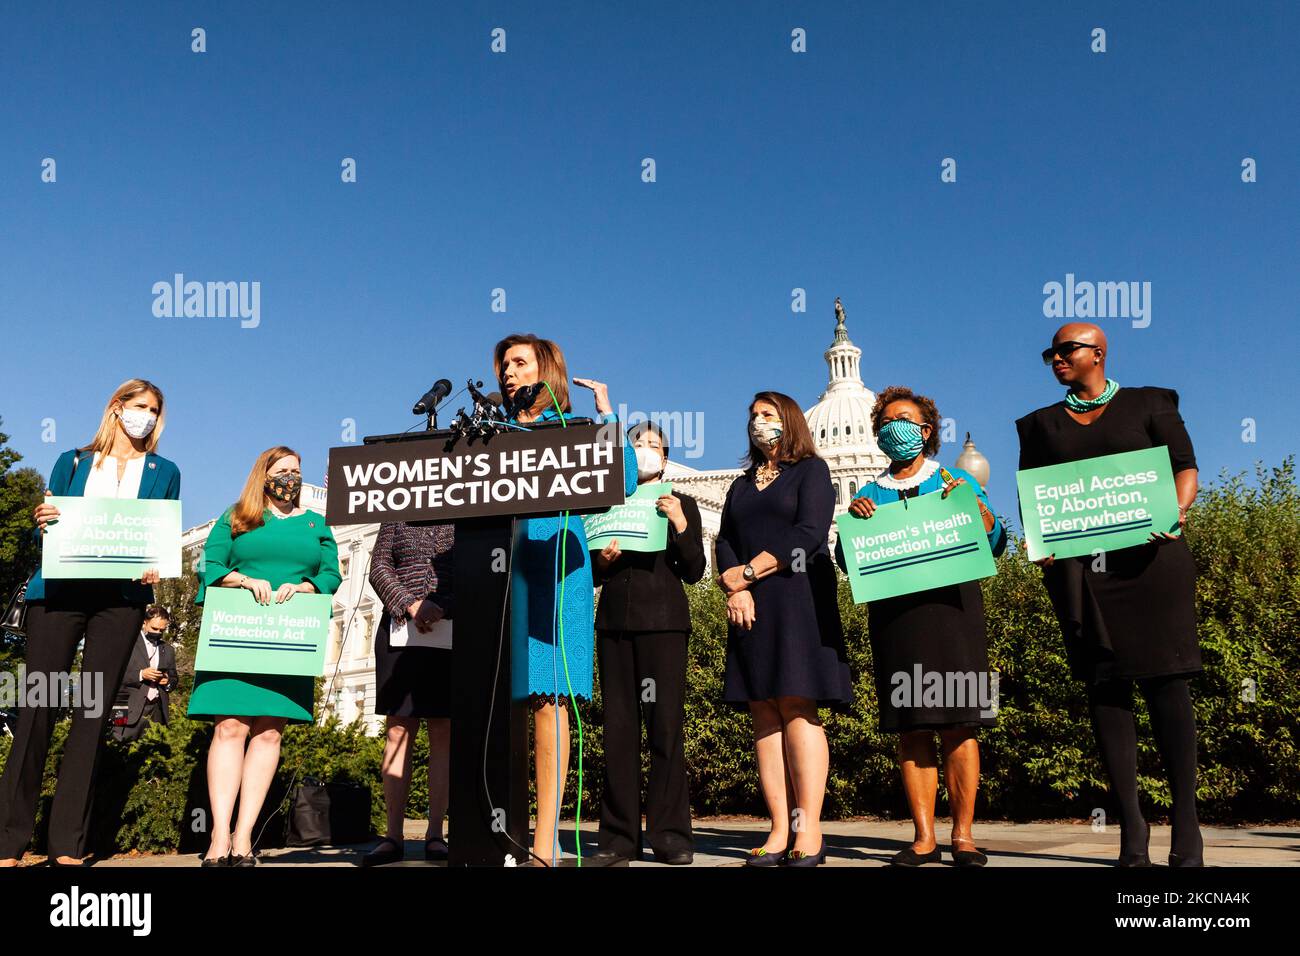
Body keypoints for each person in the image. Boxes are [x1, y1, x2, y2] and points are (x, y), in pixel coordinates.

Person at [1016, 323, 1204, 867]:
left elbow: (1184, 467)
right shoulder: (1040, 425)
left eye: (1067, 349)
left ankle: (1187, 827)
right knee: (1107, 692)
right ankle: (1132, 829)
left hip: (1152, 563)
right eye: (1050, 351)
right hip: (1081, 574)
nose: (1056, 358)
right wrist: (1042, 541)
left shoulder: (1150, 403)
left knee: (1168, 686)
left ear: (1098, 353)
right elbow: (1034, 496)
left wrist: (1177, 510)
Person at [0, 379, 180, 867]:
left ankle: (66, 845)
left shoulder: (166, 471)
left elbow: (160, 532)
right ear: (117, 408)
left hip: (119, 602)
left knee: (92, 714)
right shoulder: (73, 461)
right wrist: (43, 519)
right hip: (59, 594)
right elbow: (50, 524)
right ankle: (9, 841)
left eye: (155, 410)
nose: (147, 415)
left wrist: (155, 563)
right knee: (38, 706)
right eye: (140, 406)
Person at [834, 386, 1006, 867]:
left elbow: (994, 541)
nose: (894, 427)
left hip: (953, 616)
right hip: (897, 622)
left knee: (960, 725)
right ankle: (924, 837)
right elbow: (848, 560)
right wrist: (854, 523)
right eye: (885, 421)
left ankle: (965, 837)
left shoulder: (954, 480)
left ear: (926, 430)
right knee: (912, 729)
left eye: (903, 419)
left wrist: (978, 510)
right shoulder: (867, 495)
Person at [493, 332, 638, 865]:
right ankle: (491, 830)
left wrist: (606, 417)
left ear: (545, 370)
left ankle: (544, 839)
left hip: (558, 571)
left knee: (550, 703)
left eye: (518, 362)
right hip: (501, 572)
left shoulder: (570, 431)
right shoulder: (492, 432)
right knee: (497, 702)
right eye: (503, 364)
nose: (508, 371)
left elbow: (621, 476)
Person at [716, 391, 852, 867]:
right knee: (763, 712)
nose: (758, 422)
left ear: (789, 421)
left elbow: (809, 533)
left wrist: (750, 573)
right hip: (749, 605)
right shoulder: (740, 485)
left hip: (797, 599)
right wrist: (736, 587)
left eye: (768, 415)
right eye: (753, 415)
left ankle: (808, 829)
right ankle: (778, 828)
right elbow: (725, 539)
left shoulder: (810, 472)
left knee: (796, 706)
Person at [188, 446, 341, 867]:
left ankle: (244, 838)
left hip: (287, 639)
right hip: (236, 633)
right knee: (230, 728)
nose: (290, 478)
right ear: (264, 474)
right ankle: (218, 836)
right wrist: (240, 579)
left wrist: (309, 587)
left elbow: (331, 572)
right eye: (282, 470)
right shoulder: (238, 514)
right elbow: (209, 563)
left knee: (270, 732)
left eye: (296, 471)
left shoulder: (316, 523)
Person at [587, 421, 705, 866]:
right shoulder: (607, 502)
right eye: (638, 444)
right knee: (618, 729)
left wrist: (678, 522)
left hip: (663, 623)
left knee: (665, 727)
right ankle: (618, 839)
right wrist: (601, 559)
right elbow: (593, 573)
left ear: (666, 456)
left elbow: (695, 568)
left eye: (655, 444)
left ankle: (671, 836)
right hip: (614, 623)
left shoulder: (683, 502)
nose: (646, 450)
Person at [361, 521, 455, 866]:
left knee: (442, 730)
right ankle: (393, 835)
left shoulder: (465, 512)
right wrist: (411, 604)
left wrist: (441, 605)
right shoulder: (397, 515)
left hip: (449, 630)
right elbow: (379, 567)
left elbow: (471, 570)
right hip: (399, 630)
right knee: (398, 728)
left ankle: (435, 834)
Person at [112, 604, 179, 742]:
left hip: (156, 712)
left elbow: (174, 678)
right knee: (117, 747)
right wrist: (141, 674)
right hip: (124, 705)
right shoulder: (127, 642)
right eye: (154, 628)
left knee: (152, 753)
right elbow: (113, 674)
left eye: (162, 630)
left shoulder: (168, 649)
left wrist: (167, 682)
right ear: (144, 623)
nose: (158, 632)